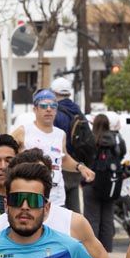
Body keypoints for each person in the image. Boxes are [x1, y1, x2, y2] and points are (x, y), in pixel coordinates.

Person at [12, 89, 94, 209]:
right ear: (35, 109)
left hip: (57, 198)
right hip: (32, 198)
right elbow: (6, 152)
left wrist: (80, 167)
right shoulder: (23, 131)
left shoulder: (60, 134)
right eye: (44, 106)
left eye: (53, 106)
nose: (49, 109)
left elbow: (64, 159)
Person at [82, 114, 130, 254]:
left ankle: (92, 252)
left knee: (92, 219)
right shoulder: (116, 139)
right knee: (107, 220)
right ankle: (107, 252)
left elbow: (83, 157)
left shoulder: (90, 139)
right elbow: (122, 154)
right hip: (111, 184)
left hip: (91, 183)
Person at [49, 76, 84, 211]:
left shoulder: (56, 114)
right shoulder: (78, 111)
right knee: (74, 210)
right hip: (76, 165)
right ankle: (74, 231)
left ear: (54, 93)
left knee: (58, 209)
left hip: (61, 165)